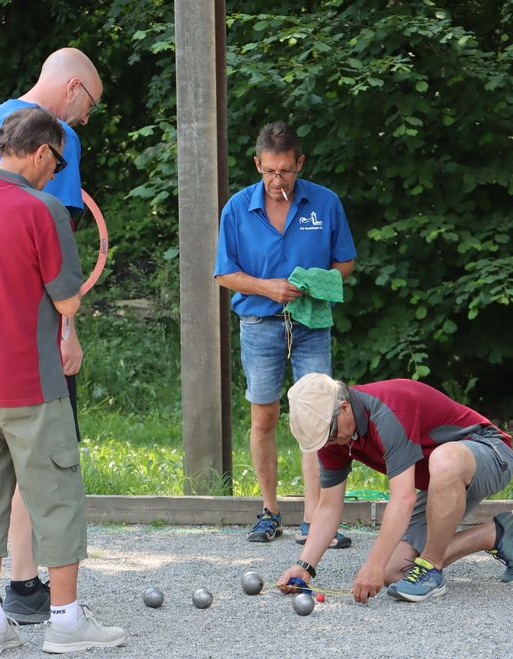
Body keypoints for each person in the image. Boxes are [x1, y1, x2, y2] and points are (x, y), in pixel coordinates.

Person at [0, 107, 124, 655]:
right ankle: (66, 621)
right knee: (57, 496)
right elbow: (67, 297)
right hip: (31, 381)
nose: (56, 174)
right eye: (58, 163)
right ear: (43, 152)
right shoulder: (42, 208)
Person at [215, 122, 357, 545]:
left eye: (286, 171)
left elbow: (346, 263)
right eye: (269, 171)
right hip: (259, 323)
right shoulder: (237, 209)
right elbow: (223, 274)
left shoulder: (326, 203)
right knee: (265, 416)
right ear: (258, 164)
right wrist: (268, 286)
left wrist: (316, 280)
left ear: (300, 163)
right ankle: (269, 511)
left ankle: (315, 521)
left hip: (312, 323)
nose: (278, 181)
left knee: (318, 419)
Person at [279, 373, 513, 603]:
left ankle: (431, 568)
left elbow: (403, 498)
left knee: (444, 459)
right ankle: (496, 534)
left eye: (330, 434)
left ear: (344, 408)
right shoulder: (334, 437)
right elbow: (329, 507)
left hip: (491, 454)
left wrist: (373, 562)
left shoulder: (387, 412)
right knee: (392, 570)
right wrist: (305, 567)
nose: (329, 442)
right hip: (442, 483)